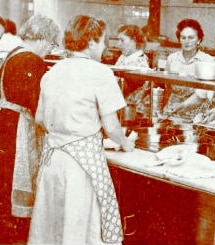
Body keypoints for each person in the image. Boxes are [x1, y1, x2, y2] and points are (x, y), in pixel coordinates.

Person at [28, 15, 135, 245]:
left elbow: (39, 119)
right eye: (103, 41)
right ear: (91, 41)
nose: (105, 47)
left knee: (52, 231)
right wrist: (127, 143)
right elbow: (112, 128)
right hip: (81, 167)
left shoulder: (51, 73)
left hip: (52, 162)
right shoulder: (101, 73)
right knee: (78, 232)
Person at [0, 14, 60, 244]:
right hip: (19, 128)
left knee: (5, 184)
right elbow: (40, 106)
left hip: (6, 120)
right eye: (52, 44)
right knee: (17, 179)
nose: (50, 50)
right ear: (43, 38)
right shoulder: (32, 60)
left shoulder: (12, 54)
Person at [162, 18, 214, 120]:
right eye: (183, 38)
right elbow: (167, 87)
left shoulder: (207, 61)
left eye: (191, 38)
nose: (187, 41)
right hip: (173, 109)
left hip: (197, 112)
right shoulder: (172, 58)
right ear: (179, 39)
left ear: (199, 40)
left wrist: (183, 105)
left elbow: (205, 94)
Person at [115, 24, 150, 117]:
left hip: (133, 112)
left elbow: (124, 88)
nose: (118, 44)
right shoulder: (123, 57)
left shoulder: (140, 62)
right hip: (120, 107)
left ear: (134, 40)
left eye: (122, 40)